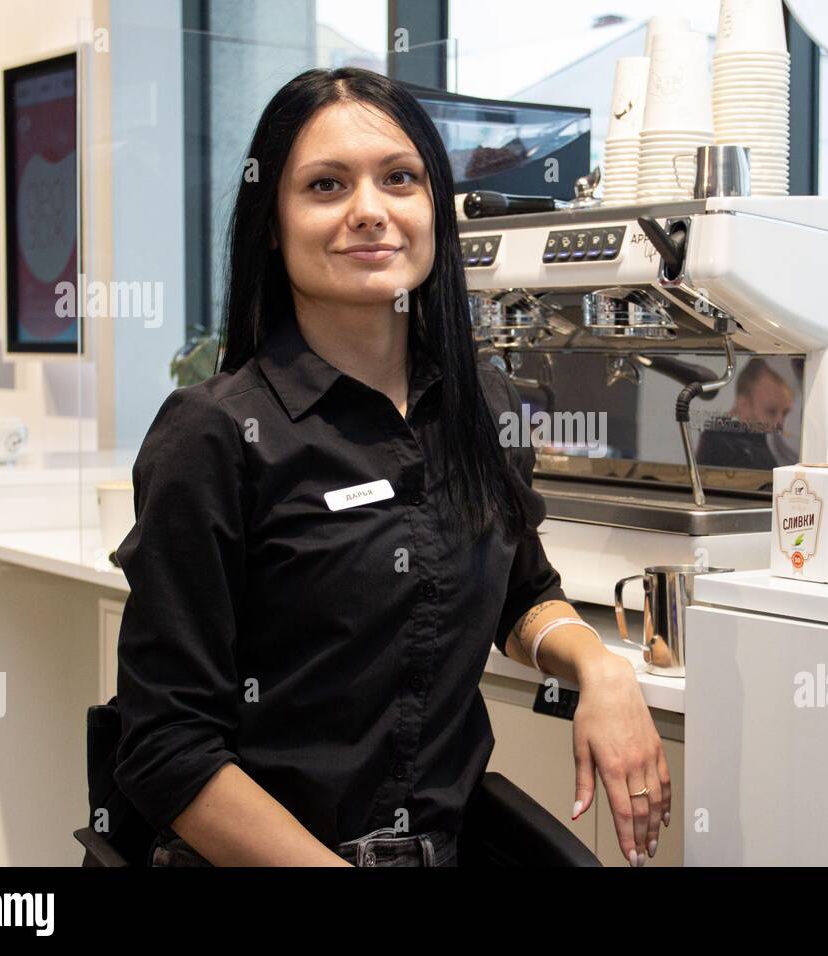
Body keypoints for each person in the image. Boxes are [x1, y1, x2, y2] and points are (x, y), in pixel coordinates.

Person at [112, 67, 669, 868]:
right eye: (326, 185)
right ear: (273, 223)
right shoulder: (215, 436)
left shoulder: (482, 402)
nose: (369, 211)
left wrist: (601, 669)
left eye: (399, 179)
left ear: (435, 207)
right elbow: (167, 748)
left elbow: (524, 593)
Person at [695, 359, 798, 472]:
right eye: (771, 411)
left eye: (785, 412)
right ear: (744, 406)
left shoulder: (772, 446)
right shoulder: (722, 444)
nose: (780, 421)